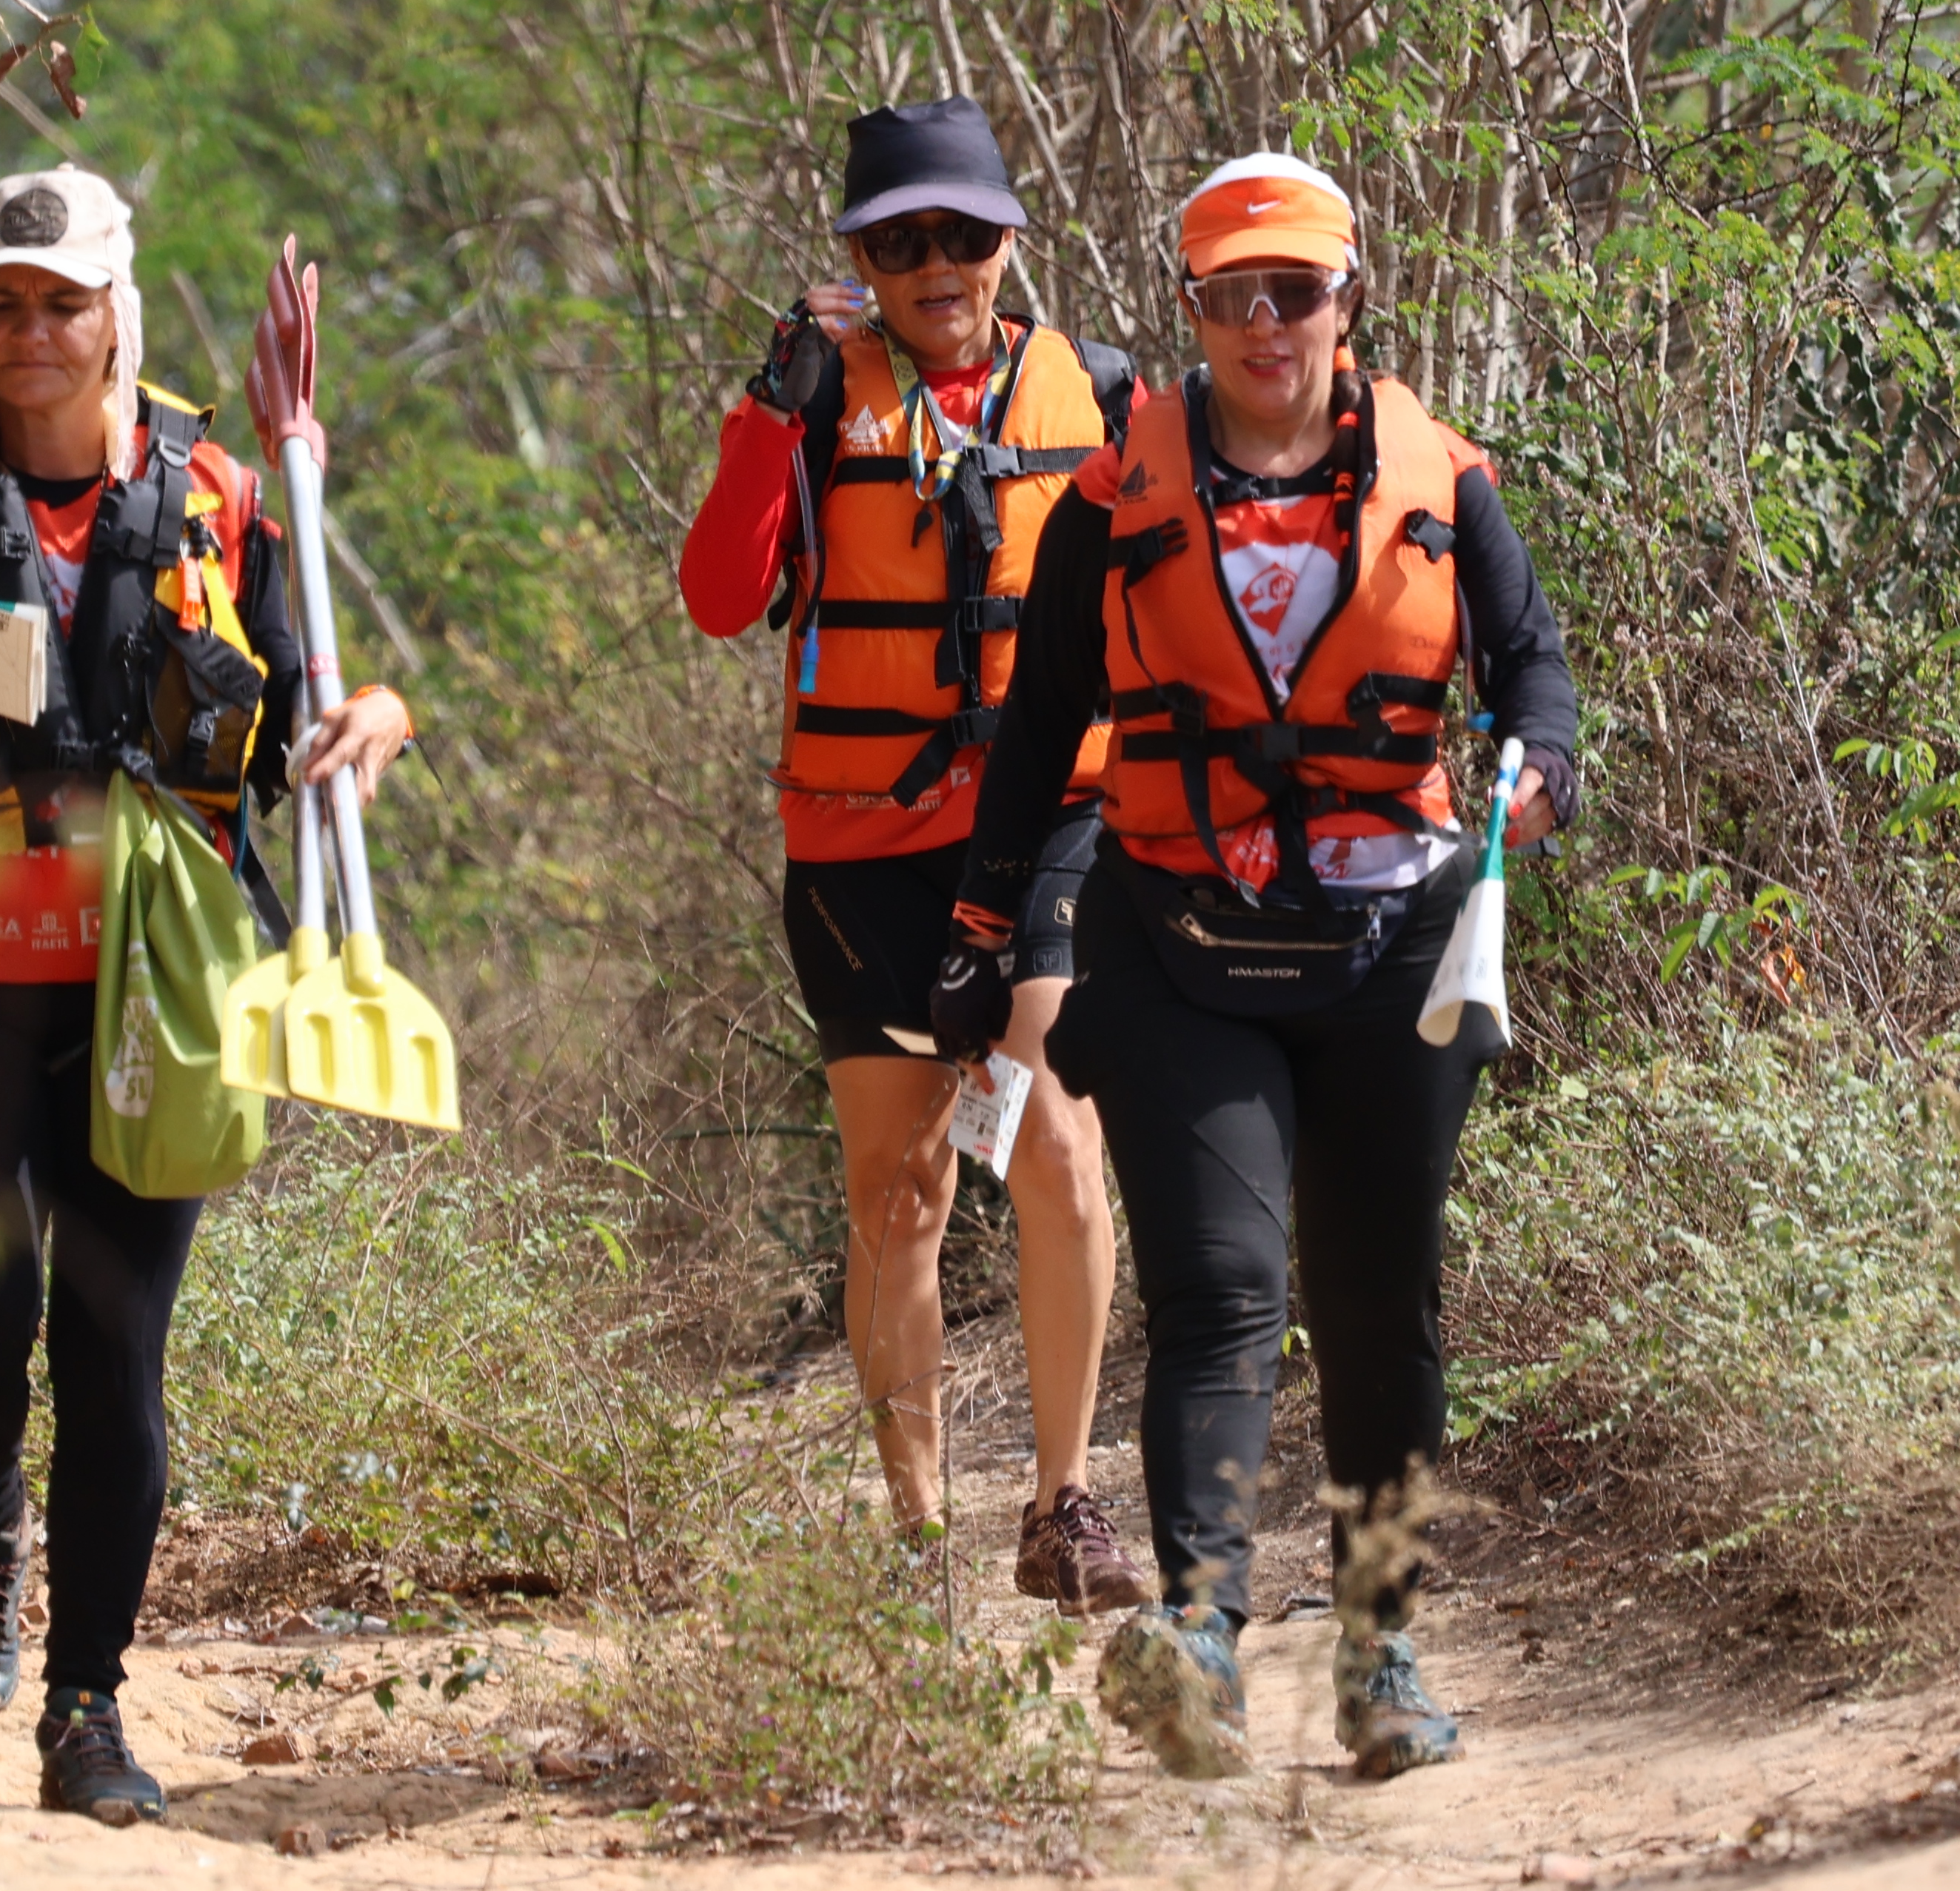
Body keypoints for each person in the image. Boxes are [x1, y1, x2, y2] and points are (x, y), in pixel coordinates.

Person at [0, 165, 413, 1827]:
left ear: (116, 312)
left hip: (154, 993)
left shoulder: (218, 494)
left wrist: (374, 720)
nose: (32, 333)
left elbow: (293, 713)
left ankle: (89, 1706)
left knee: (115, 1350)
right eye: (0, 304)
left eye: (63, 303)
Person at [934, 153, 1579, 1784]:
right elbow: (1037, 729)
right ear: (1195, 309)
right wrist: (985, 931)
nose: (1267, 323)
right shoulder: (1116, 498)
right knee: (1220, 1291)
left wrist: (1544, 770)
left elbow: (1531, 664)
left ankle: (1381, 1648)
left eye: (1297, 291)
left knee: (1378, 1305)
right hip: (1182, 945)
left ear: (1349, 300)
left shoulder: (1442, 476)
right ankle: (1201, 1636)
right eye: (1235, 295)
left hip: (1395, 951)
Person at [677, 93, 1143, 1611]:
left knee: (1057, 1139)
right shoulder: (814, 405)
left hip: (1049, 826)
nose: (936, 265)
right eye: (899, 242)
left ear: (1010, 238)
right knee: (899, 1192)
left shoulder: (1106, 397)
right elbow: (718, 594)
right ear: (861, 260)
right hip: (863, 846)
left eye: (964, 234)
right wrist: (770, 412)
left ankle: (1064, 1504)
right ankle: (920, 1535)